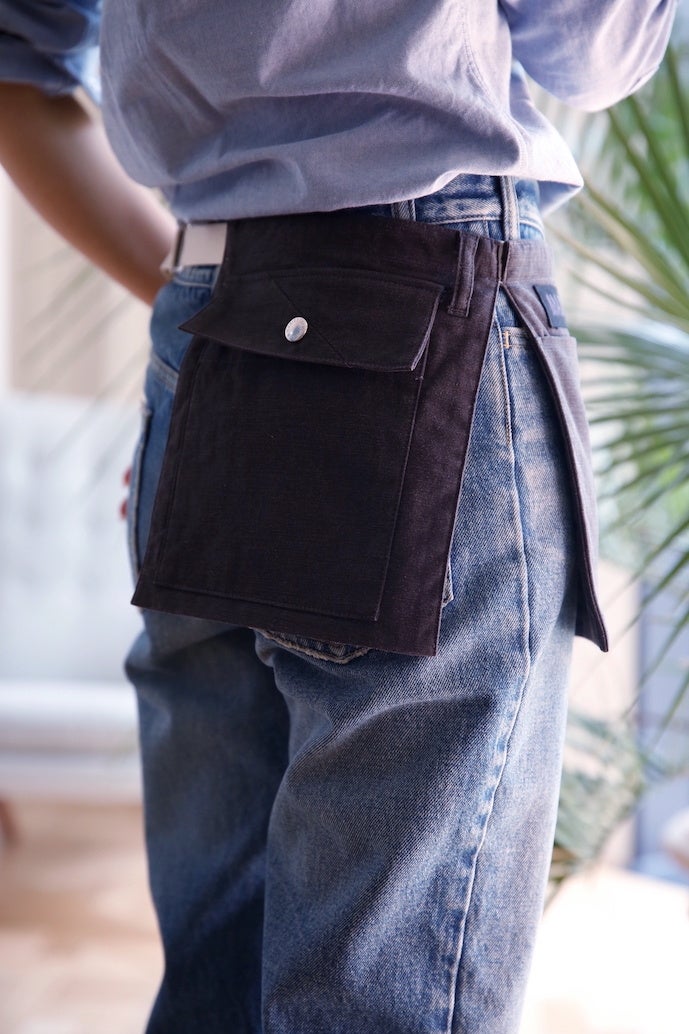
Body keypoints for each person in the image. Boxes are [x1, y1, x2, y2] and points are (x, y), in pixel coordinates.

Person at [0, 3, 677, 1032]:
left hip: (210, 330)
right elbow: (590, 53)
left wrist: (228, 334)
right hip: (419, 316)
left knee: (217, 981)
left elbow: (16, 71)